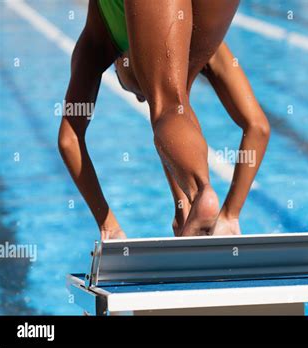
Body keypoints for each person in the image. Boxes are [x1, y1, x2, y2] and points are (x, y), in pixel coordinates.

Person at [58, 0, 270, 240]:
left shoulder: (94, 44)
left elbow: (69, 139)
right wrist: (229, 216)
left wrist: (109, 226)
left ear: (119, 65)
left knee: (166, 104)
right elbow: (257, 126)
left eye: (136, 90)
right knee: (173, 106)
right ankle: (202, 199)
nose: (141, 98)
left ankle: (202, 190)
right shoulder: (200, 43)